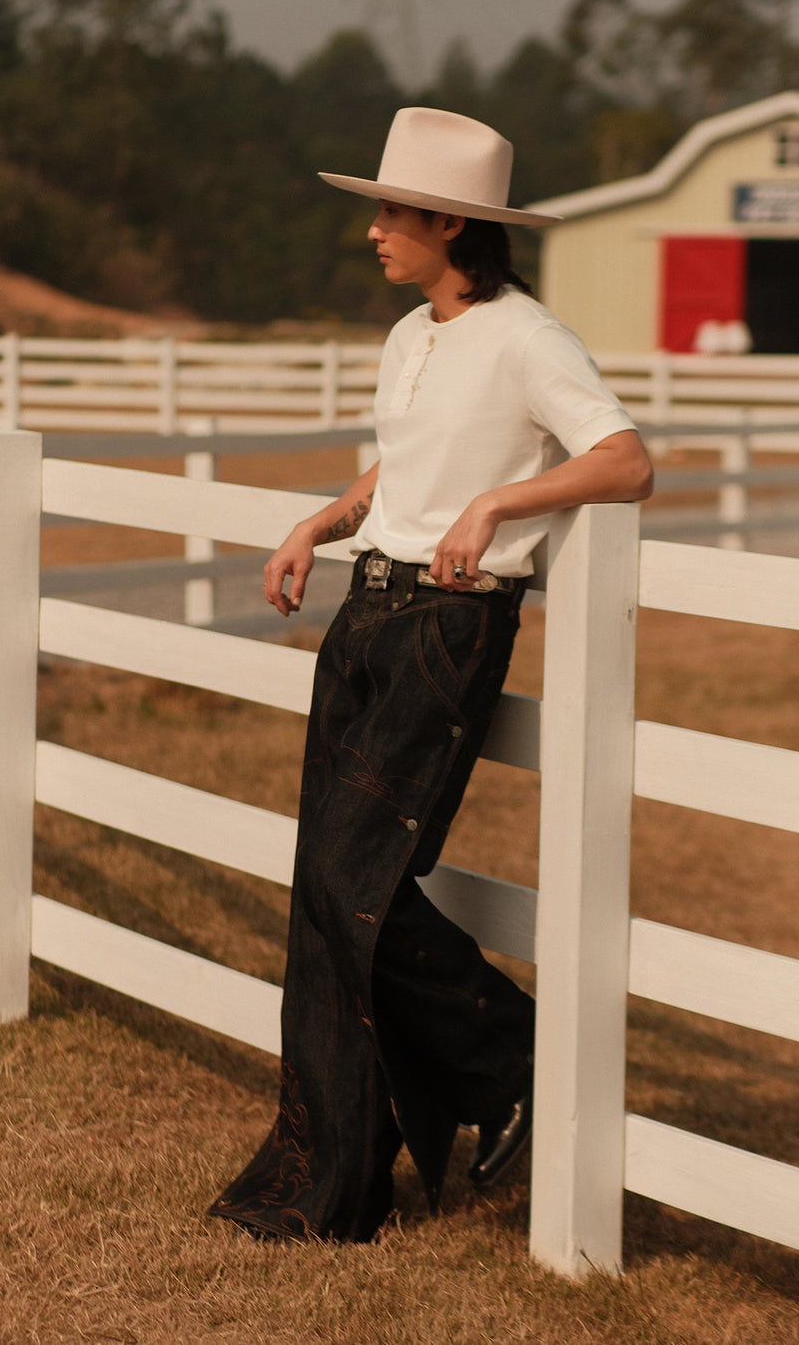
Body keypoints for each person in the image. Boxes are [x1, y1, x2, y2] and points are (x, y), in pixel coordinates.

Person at [209, 107, 654, 1244]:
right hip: (368, 611)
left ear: (449, 221)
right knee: (324, 891)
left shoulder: (527, 335)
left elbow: (624, 458)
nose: (373, 231)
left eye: (391, 212)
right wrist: (326, 516)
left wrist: (502, 501)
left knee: (353, 874)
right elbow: (408, 454)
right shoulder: (414, 333)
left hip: (449, 627)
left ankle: (512, 1059)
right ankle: (330, 1181)